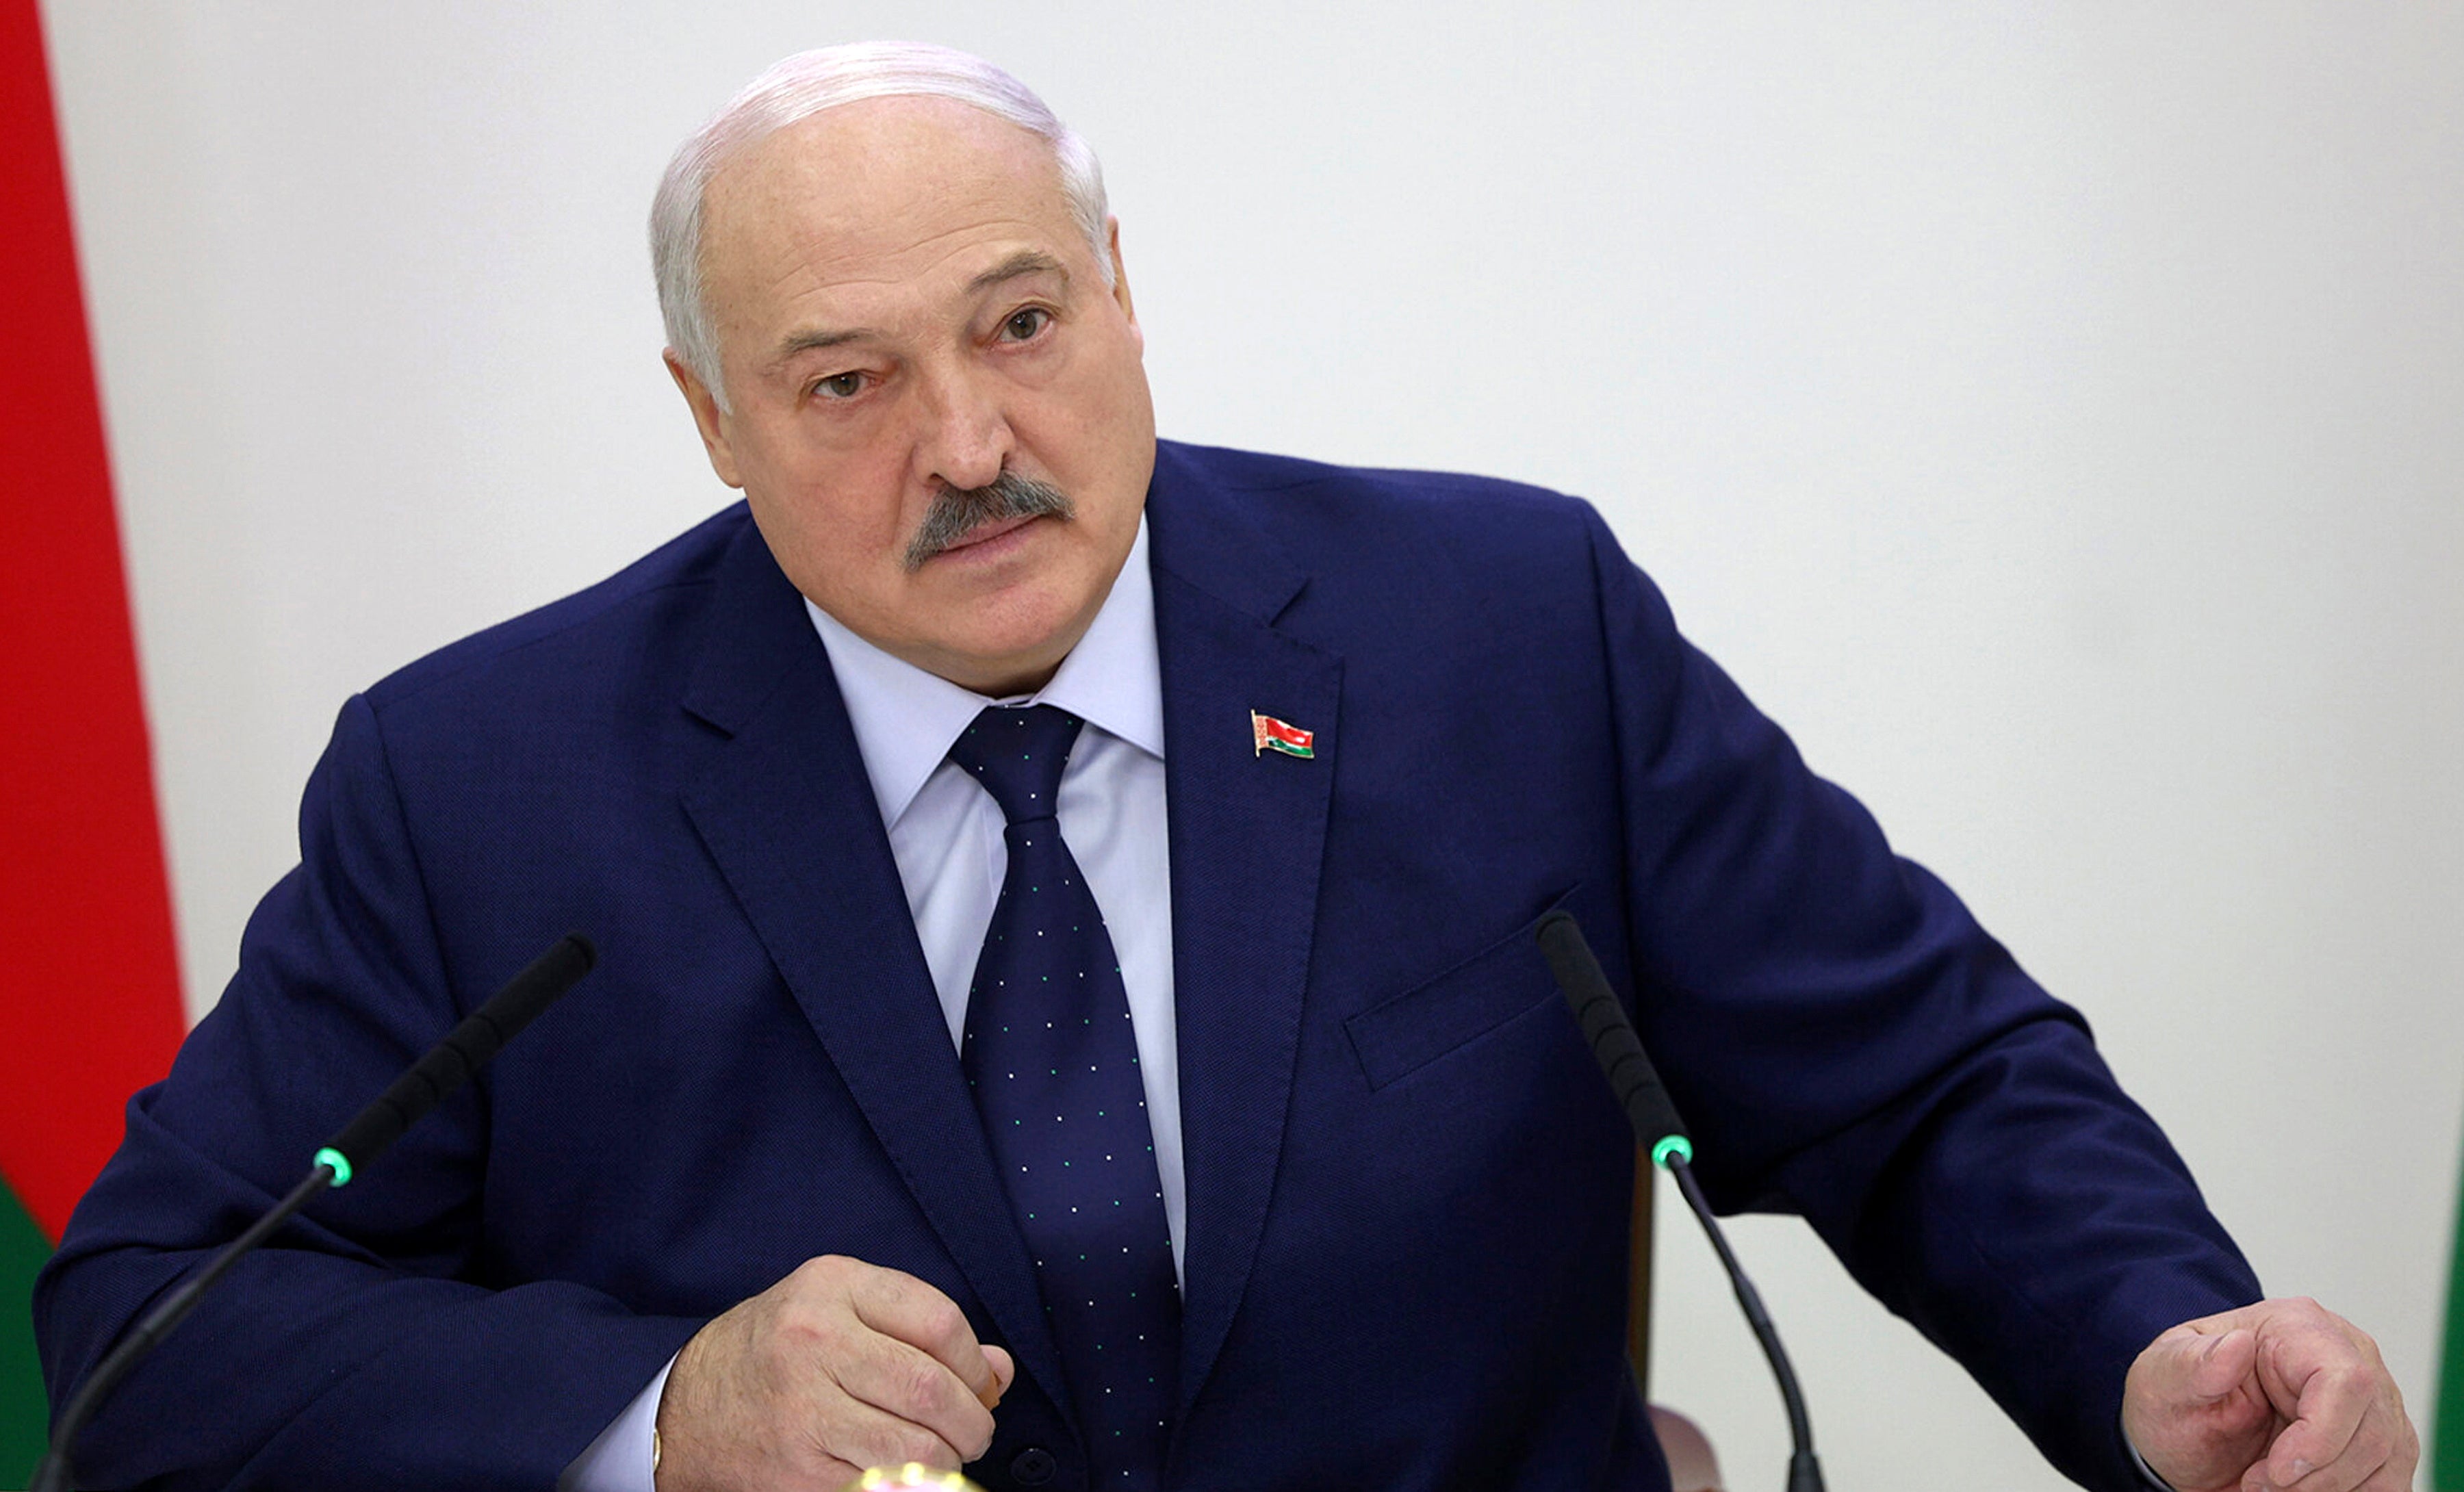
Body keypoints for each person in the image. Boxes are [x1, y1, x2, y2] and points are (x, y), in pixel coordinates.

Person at [36, 42, 2415, 1492]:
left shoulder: (1503, 636)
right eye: (847, 382)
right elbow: (152, 1333)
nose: (972, 443)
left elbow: (1923, 1077)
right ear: (709, 419)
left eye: (1022, 323)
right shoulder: (485, 783)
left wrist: (2153, 1345)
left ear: (1120, 288)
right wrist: (664, 1409)